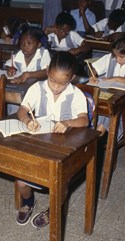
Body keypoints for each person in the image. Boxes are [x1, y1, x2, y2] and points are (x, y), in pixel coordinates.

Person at [15, 51, 89, 228]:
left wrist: (68, 122)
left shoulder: (76, 94)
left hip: (64, 147)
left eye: (63, 83)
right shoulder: (37, 88)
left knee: (59, 184)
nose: (56, 87)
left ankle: (54, 209)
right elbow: (22, 110)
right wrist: (27, 120)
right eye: (52, 80)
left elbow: (84, 120)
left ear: (72, 78)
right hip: (41, 143)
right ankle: (28, 201)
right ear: (47, 71)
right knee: (20, 182)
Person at [88, 33, 125, 141]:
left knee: (109, 111)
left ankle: (94, 140)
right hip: (106, 98)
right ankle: (91, 136)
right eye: (115, 55)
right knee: (90, 104)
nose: (117, 59)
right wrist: (93, 76)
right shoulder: (110, 58)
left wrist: (116, 78)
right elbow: (93, 70)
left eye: (121, 57)